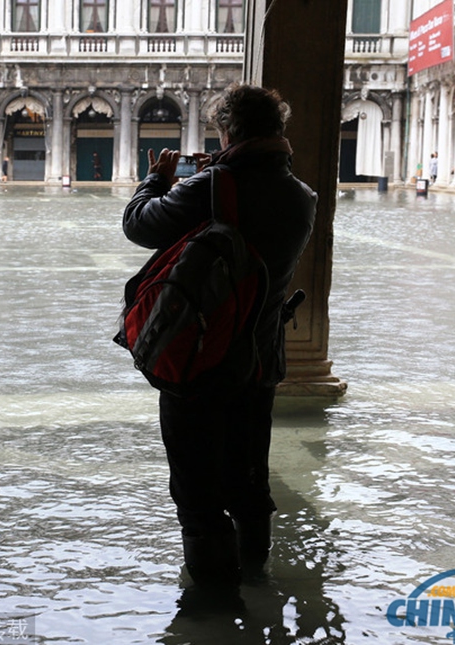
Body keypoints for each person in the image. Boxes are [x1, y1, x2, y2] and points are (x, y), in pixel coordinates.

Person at [121, 83, 317, 589]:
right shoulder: (303, 198)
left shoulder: (210, 187)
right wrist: (217, 172)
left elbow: (139, 225)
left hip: (201, 362)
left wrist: (157, 180)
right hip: (261, 366)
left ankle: (214, 603)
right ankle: (256, 573)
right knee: (249, 478)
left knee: (197, 491)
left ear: (228, 130)